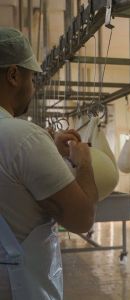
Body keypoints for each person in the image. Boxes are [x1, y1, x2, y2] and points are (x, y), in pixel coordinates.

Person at [0, 28, 98, 300]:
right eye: (32, 78)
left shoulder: (24, 142)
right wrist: (84, 164)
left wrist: (48, 155)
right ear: (13, 75)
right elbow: (83, 220)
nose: (32, 88)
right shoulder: (25, 137)